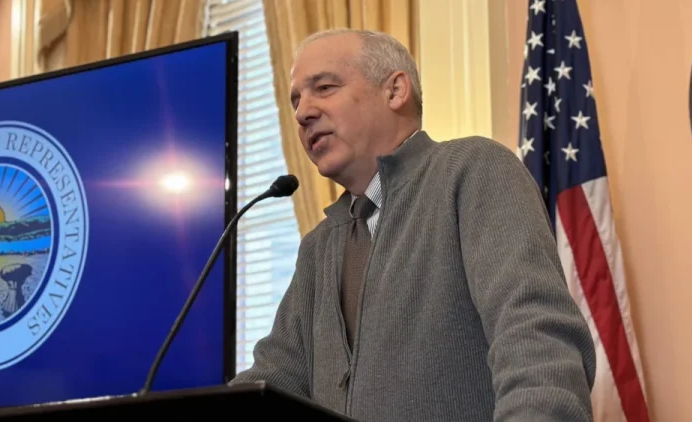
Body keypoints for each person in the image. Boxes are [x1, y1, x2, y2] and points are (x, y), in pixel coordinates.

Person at [229, 28, 596, 421]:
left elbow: (537, 342)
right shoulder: (320, 247)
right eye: (296, 100)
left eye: (324, 87)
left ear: (395, 91)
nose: (302, 113)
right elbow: (272, 379)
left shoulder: (473, 171)